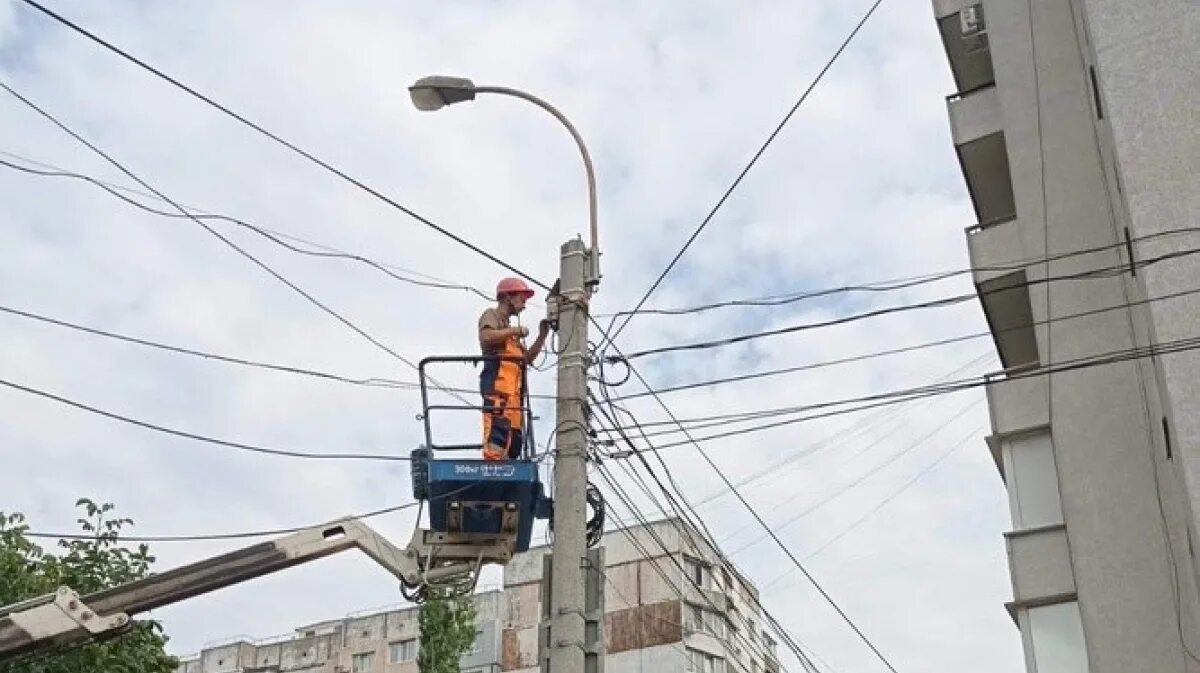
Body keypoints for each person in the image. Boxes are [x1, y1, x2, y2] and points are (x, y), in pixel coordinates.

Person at [478, 277, 550, 461]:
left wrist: (542, 335)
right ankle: (493, 468)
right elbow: (486, 336)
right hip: (498, 392)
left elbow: (526, 359)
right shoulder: (491, 315)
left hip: (514, 398)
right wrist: (515, 331)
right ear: (508, 297)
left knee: (514, 441)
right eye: (522, 298)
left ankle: (507, 464)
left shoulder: (511, 334)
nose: (524, 304)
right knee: (497, 436)